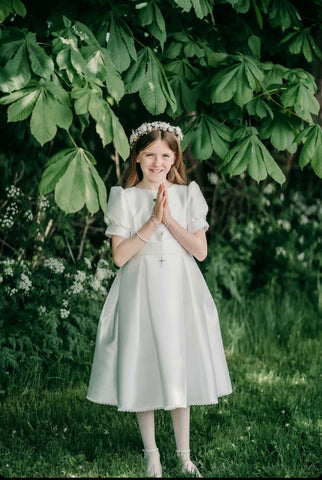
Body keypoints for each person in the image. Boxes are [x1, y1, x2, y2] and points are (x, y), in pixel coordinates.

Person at [87, 121, 232, 478]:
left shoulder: (187, 195)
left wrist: (169, 219)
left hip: (179, 290)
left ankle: (184, 455)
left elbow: (200, 251)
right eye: (149, 154)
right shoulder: (124, 197)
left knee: (177, 362)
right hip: (141, 289)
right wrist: (152, 222)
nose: (157, 162)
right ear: (137, 157)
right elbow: (120, 257)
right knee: (144, 363)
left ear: (175, 158)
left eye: (165, 155)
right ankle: (152, 453)